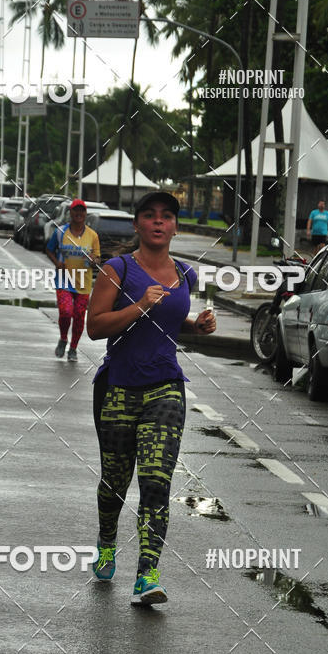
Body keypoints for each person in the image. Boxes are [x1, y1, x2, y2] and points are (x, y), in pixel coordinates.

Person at [86, 191, 216, 606]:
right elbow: (95, 327)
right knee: (115, 483)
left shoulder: (185, 274)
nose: (159, 223)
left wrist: (197, 325)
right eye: (150, 216)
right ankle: (107, 544)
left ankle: (147, 574)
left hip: (166, 387)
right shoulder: (117, 269)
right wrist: (140, 305)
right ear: (138, 225)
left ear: (175, 226)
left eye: (166, 217)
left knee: (157, 481)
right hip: (119, 388)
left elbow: (170, 324)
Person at [45, 198, 101, 363]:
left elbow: (97, 258)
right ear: (70, 212)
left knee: (78, 317)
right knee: (66, 312)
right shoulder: (60, 232)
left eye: (82, 211)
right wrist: (57, 263)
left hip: (83, 284)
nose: (79, 213)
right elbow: (49, 250)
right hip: (64, 281)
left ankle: (73, 348)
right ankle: (63, 339)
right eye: (76, 210)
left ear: (85, 214)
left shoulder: (92, 236)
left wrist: (93, 260)